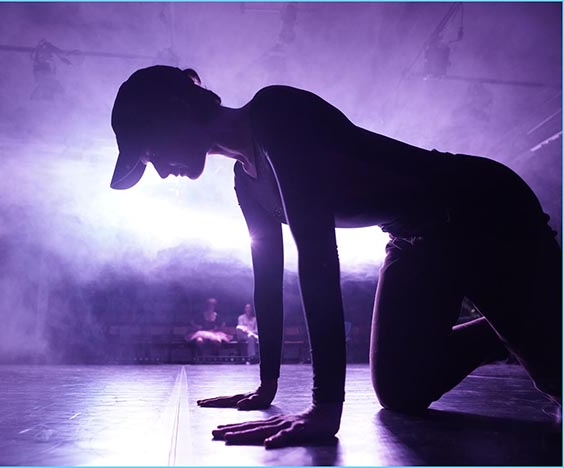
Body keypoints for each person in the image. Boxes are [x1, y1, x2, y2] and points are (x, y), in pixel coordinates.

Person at [109, 65, 562, 448]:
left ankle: (534, 319)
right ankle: (506, 327)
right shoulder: (245, 182)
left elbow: (317, 258)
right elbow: (267, 282)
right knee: (400, 391)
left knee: (557, 380)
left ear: (176, 112)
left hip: (478, 205)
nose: (161, 171)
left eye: (152, 152)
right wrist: (266, 386)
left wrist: (325, 408)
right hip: (414, 238)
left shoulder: (275, 112)